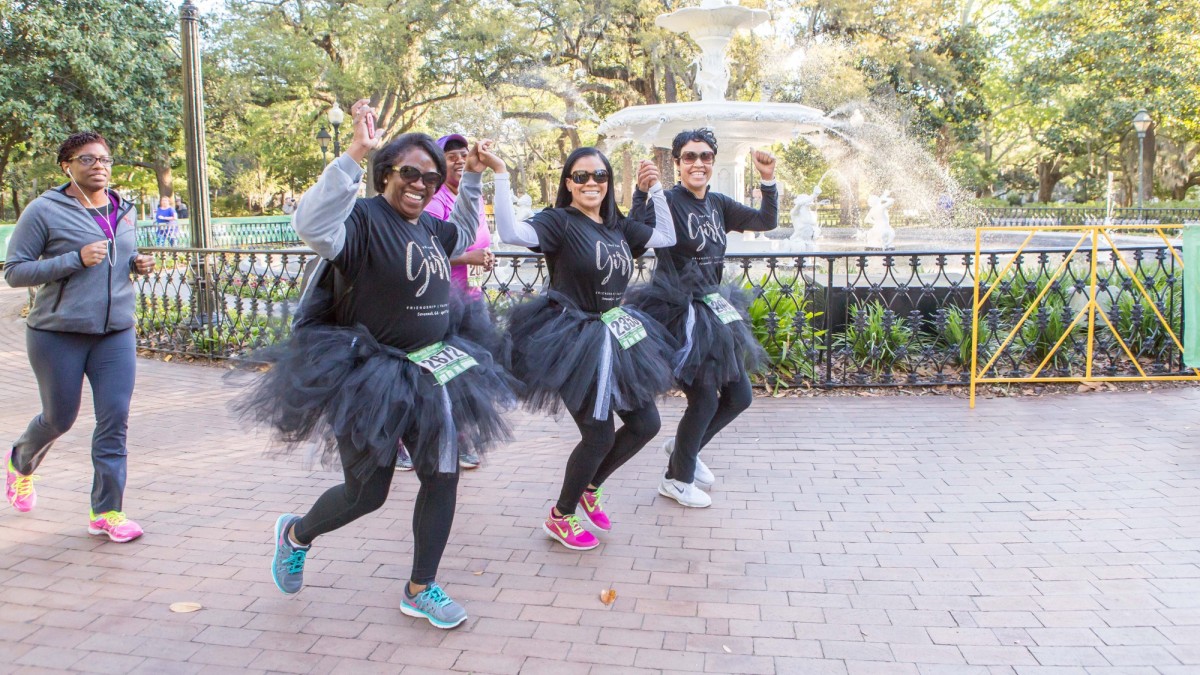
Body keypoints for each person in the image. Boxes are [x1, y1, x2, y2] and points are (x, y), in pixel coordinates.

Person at [235, 100, 515, 629]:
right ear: (386, 172)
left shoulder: (431, 228)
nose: (420, 184)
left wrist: (471, 178)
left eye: (430, 177)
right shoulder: (360, 221)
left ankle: (421, 587)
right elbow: (312, 225)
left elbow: (462, 226)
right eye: (410, 172)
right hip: (370, 378)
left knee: (444, 476)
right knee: (368, 492)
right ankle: (297, 534)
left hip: (434, 370)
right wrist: (350, 157)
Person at [492, 148, 676, 551]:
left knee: (646, 424)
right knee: (597, 436)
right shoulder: (559, 222)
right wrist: (501, 172)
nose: (591, 183)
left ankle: (590, 487)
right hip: (572, 339)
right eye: (580, 177)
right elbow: (509, 232)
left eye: (599, 176)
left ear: (609, 182)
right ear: (568, 183)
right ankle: (561, 516)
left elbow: (667, 237)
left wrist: (656, 188)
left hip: (616, 335)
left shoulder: (618, 227)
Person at [4, 131, 156, 542]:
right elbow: (14, 270)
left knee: (114, 421)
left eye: (105, 159)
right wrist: (73, 259)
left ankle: (106, 512)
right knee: (60, 418)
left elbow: (116, 263)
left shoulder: (125, 208)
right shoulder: (44, 210)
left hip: (115, 334)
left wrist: (137, 263)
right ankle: (20, 461)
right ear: (66, 166)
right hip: (57, 334)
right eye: (87, 159)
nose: (99, 166)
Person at [630, 128, 777, 508]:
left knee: (740, 396)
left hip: (713, 309)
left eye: (705, 156)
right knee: (705, 401)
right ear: (677, 164)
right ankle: (677, 479)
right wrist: (641, 192)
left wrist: (768, 180)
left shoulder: (719, 204)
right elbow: (631, 241)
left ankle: (683, 449)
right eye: (690, 157)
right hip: (676, 313)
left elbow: (765, 221)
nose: (698, 163)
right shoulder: (667, 201)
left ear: (713, 162)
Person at [419, 133, 497, 471]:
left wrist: (484, 262)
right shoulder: (433, 202)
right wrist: (469, 259)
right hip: (442, 301)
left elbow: (481, 239)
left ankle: (460, 435)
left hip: (472, 298)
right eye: (450, 154)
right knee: (446, 374)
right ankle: (415, 440)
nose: (459, 158)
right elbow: (426, 253)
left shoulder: (473, 198)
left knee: (472, 370)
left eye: (463, 153)